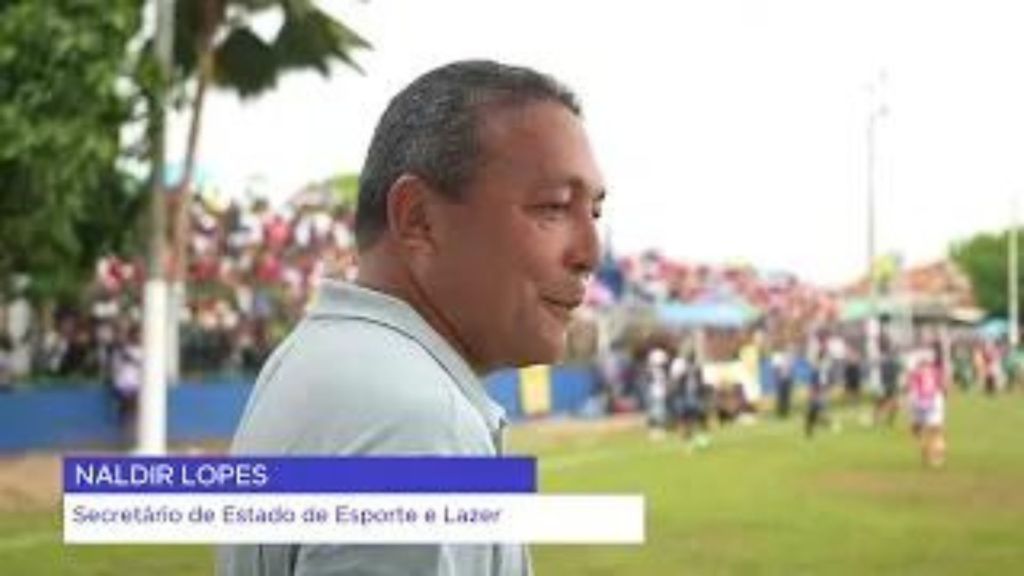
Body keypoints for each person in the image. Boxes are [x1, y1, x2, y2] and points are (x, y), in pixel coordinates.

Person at [217, 60, 604, 576]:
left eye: (594, 212)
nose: (590, 251)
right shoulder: (418, 423)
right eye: (553, 207)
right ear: (418, 219)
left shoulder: (316, 359)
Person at [907, 348, 947, 467]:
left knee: (916, 429)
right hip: (934, 400)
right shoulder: (936, 371)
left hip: (918, 401)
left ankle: (926, 449)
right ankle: (937, 454)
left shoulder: (915, 372)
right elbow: (944, 386)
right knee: (936, 431)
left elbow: (911, 387)